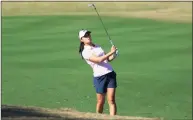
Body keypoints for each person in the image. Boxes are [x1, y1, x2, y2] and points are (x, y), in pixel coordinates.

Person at [78, 29, 118, 116]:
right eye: (85, 36)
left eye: (88, 35)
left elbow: (107, 59)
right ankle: (98, 117)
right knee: (100, 102)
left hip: (110, 74)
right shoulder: (85, 52)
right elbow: (99, 60)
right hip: (100, 77)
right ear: (81, 39)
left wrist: (114, 55)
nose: (88, 37)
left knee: (111, 100)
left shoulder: (97, 46)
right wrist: (111, 52)